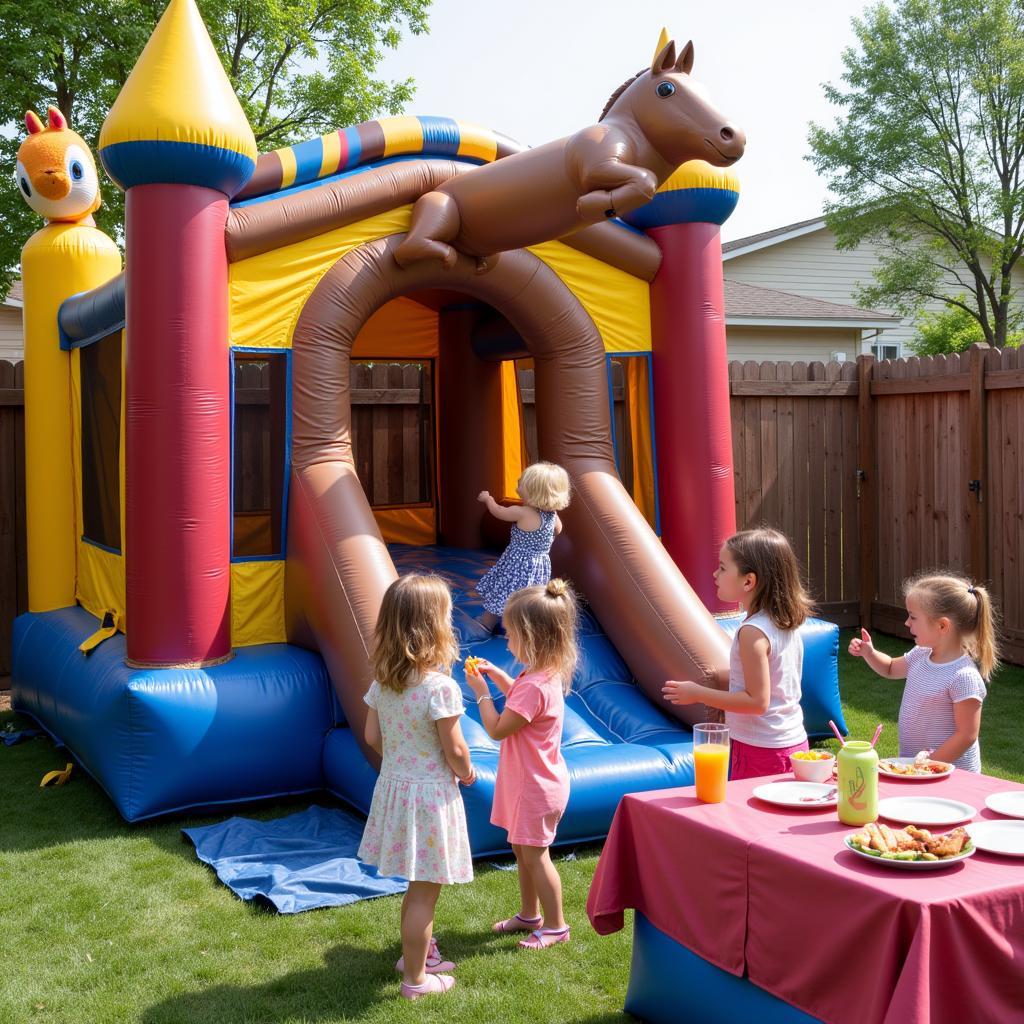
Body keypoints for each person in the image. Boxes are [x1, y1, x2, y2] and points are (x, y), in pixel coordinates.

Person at [357, 574, 476, 1001]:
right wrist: (465, 772)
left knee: (415, 886)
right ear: (434, 627)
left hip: (395, 788)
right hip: (428, 797)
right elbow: (456, 749)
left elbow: (372, 737)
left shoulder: (384, 682)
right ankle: (416, 983)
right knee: (425, 892)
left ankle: (412, 959)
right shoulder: (439, 688)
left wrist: (400, 758)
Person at [465, 579, 577, 949]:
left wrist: (483, 696)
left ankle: (557, 926)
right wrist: (500, 680)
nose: (507, 639)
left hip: (535, 787)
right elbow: (525, 699)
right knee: (521, 849)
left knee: (535, 854)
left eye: (511, 633)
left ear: (532, 637)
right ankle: (530, 914)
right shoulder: (540, 676)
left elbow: (498, 729)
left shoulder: (533, 686)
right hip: (533, 781)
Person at [662, 528, 813, 779]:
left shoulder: (753, 632)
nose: (715, 574)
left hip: (760, 751)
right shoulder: (783, 623)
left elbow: (757, 701)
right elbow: (771, 684)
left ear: (748, 581)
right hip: (791, 743)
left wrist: (697, 693)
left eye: (722, 568)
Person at [848, 573, 998, 771]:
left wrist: (928, 764)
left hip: (951, 776)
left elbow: (966, 735)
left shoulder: (963, 676)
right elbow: (891, 668)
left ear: (942, 625)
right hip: (919, 769)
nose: (907, 623)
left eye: (913, 617)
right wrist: (870, 653)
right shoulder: (920, 655)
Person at [476, 461, 570, 632]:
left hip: (517, 563)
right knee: (528, 597)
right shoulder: (552, 516)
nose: (517, 486)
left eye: (521, 484)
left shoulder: (522, 512)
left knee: (505, 591)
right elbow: (558, 531)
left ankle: (487, 622)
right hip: (539, 565)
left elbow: (497, 511)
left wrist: (488, 499)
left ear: (534, 492)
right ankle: (519, 629)